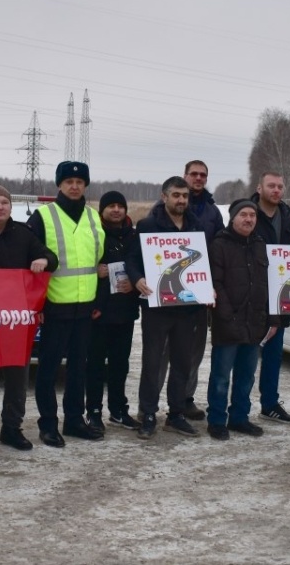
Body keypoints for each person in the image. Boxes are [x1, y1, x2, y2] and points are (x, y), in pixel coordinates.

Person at [0, 184, 56, 453]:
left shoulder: (23, 233)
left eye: (4, 202)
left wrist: (43, 260)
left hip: (15, 319)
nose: (0, 207)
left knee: (17, 377)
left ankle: (11, 428)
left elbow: (51, 257)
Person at [27, 161, 105, 446]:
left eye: (80, 182)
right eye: (69, 182)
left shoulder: (93, 217)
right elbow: (30, 261)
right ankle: (48, 424)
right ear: (59, 184)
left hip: (85, 307)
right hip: (54, 306)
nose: (74, 186)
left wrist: (98, 300)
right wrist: (37, 306)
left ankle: (74, 420)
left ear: (85, 185)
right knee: (48, 370)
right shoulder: (43, 216)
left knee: (77, 369)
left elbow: (98, 262)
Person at [126, 176, 207, 439]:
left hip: (187, 307)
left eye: (185, 196)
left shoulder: (196, 226)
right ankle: (148, 413)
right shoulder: (148, 225)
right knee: (152, 362)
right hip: (157, 307)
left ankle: (176, 414)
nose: (181, 200)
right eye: (176, 195)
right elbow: (132, 259)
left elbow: (203, 262)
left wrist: (208, 287)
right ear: (164, 197)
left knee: (182, 362)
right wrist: (137, 278)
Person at [207, 200, 278, 440]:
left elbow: (270, 283)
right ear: (233, 218)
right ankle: (217, 420)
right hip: (228, 323)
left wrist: (272, 318)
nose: (249, 219)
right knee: (221, 376)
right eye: (243, 215)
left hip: (254, 323)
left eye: (252, 215)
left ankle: (239, 417)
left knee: (246, 376)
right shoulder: (219, 244)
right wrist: (228, 315)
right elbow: (215, 283)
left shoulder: (260, 245)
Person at [85, 190, 141, 432]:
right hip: (99, 311)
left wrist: (135, 283)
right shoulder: (93, 233)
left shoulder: (134, 236)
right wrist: (94, 270)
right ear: (102, 210)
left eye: (120, 206)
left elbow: (144, 265)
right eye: (111, 206)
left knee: (120, 365)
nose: (116, 210)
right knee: (96, 365)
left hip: (125, 311)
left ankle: (118, 410)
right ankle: (94, 411)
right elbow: (79, 263)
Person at [251, 171, 290, 424]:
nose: (276, 190)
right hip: (252, 294)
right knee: (246, 357)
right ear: (259, 188)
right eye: (271, 185)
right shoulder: (247, 213)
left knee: (274, 356)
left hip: (280, 295)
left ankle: (270, 404)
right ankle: (236, 408)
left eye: (280, 186)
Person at [180, 160, 224, 420]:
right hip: (169, 290)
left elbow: (219, 250)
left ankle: (186, 399)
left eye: (203, 175)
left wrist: (213, 285)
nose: (198, 178)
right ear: (185, 175)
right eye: (194, 174)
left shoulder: (212, 212)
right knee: (162, 353)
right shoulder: (166, 205)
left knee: (194, 351)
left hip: (199, 290)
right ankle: (148, 405)